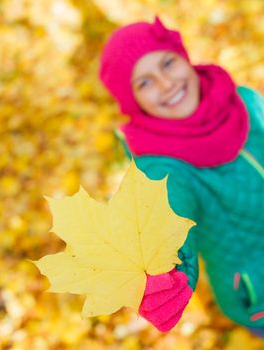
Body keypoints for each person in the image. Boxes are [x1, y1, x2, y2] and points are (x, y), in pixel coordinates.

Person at [99, 17, 264, 336]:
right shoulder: (161, 167)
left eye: (167, 63)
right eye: (144, 82)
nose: (166, 84)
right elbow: (164, 217)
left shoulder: (241, 99)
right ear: (133, 101)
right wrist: (162, 274)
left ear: (184, 58)